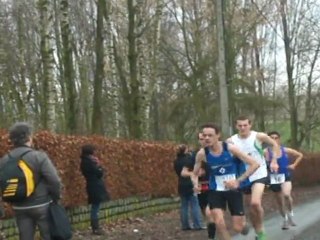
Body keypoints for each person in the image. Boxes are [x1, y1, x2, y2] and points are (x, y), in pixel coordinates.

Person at [193, 123, 259, 240]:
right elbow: (194, 173)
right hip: (215, 190)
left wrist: (238, 181)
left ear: (218, 135)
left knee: (238, 228)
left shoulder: (230, 149)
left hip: (233, 190)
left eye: (210, 135)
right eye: (204, 135)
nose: (207, 138)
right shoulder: (202, 154)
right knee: (218, 221)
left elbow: (255, 164)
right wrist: (195, 184)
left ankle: (244, 225)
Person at [0, 122, 62, 240]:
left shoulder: (4, 160)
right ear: (28, 137)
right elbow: (54, 180)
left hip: (19, 206)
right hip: (41, 204)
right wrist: (56, 198)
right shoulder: (39, 156)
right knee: (48, 236)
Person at [227, 116, 279, 240]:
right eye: (240, 125)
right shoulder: (231, 140)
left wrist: (274, 160)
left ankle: (261, 230)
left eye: (245, 125)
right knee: (250, 208)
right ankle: (256, 229)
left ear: (250, 125)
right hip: (244, 176)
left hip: (260, 173)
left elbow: (274, 144)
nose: (243, 127)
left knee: (255, 203)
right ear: (236, 126)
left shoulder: (259, 136)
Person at [265, 131, 303, 230]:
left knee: (286, 195)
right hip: (274, 178)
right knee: (280, 202)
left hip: (286, 176)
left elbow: (300, 155)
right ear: (268, 140)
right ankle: (285, 220)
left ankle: (291, 214)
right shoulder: (266, 152)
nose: (274, 139)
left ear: (279, 139)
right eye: (271, 138)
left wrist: (294, 165)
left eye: (276, 137)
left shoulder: (285, 150)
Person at [80, 144, 110, 235]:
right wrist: (99, 166)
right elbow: (98, 173)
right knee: (95, 207)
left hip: (92, 185)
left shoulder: (84, 161)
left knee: (95, 206)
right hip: (95, 185)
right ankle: (95, 228)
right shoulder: (89, 162)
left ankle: (96, 227)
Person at [191, 132, 216, 239]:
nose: (204, 140)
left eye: (207, 137)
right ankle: (212, 231)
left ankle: (211, 237)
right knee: (207, 215)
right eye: (201, 139)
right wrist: (195, 184)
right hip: (202, 188)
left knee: (210, 213)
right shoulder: (195, 156)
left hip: (215, 187)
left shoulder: (216, 152)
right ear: (198, 141)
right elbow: (193, 174)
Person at [173, 144, 204, 231]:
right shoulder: (189, 160)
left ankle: (185, 225)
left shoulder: (176, 161)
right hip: (190, 183)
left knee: (184, 205)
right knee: (194, 204)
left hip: (181, 184)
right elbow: (194, 171)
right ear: (185, 150)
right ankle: (197, 224)